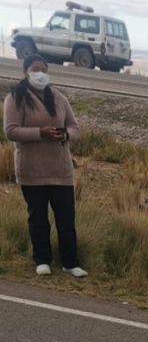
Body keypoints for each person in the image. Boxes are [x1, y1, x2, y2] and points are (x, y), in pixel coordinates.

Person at [2, 54, 87, 278]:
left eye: (44, 69)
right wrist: (40, 133)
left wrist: (65, 134)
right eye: (35, 69)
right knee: (38, 219)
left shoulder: (59, 98)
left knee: (66, 219)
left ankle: (70, 262)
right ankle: (42, 260)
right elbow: (11, 131)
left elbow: (75, 127)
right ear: (25, 72)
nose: (40, 74)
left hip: (61, 170)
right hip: (32, 171)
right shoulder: (15, 98)